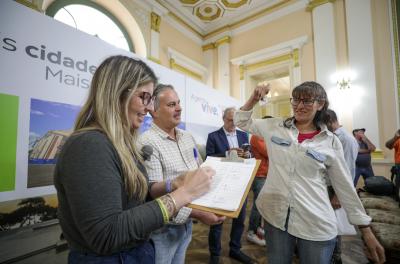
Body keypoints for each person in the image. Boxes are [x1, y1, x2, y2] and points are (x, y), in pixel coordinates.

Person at [54, 55, 215, 264]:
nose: (149, 109)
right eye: (145, 97)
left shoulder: (119, 144)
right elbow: (107, 234)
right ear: (118, 93)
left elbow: (133, 204)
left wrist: (173, 184)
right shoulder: (89, 145)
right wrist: (184, 193)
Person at [234, 81, 385, 264]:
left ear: (320, 104)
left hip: (315, 221)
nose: (299, 106)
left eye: (307, 101)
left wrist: (366, 230)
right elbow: (241, 121)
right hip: (276, 216)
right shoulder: (275, 127)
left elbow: (344, 186)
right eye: (296, 100)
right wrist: (254, 98)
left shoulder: (330, 142)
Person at [138, 84, 225, 264]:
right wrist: (199, 213)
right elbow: (153, 194)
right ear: (153, 111)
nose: (179, 108)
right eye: (171, 105)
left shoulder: (187, 137)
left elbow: (200, 170)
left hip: (186, 226)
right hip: (162, 231)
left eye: (178, 103)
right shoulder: (147, 143)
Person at [206, 107, 255, 264]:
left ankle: (235, 249)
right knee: (217, 221)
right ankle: (215, 255)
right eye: (230, 120)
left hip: (240, 182)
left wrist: (248, 155)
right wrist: (228, 154)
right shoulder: (213, 136)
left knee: (240, 220)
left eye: (235, 120)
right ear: (223, 119)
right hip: (220, 182)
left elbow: (250, 155)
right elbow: (209, 158)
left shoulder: (243, 135)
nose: (233, 123)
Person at [325, 109, 359, 264]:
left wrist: (338, 195)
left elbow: (347, 170)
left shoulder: (344, 139)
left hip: (334, 189)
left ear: (330, 121)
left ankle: (334, 256)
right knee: (328, 222)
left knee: (334, 225)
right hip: (328, 187)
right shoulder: (335, 136)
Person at [246, 116, 272, 247]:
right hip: (259, 175)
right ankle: (251, 232)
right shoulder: (257, 136)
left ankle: (258, 229)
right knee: (257, 205)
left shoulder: (265, 136)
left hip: (266, 175)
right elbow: (269, 152)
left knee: (263, 205)